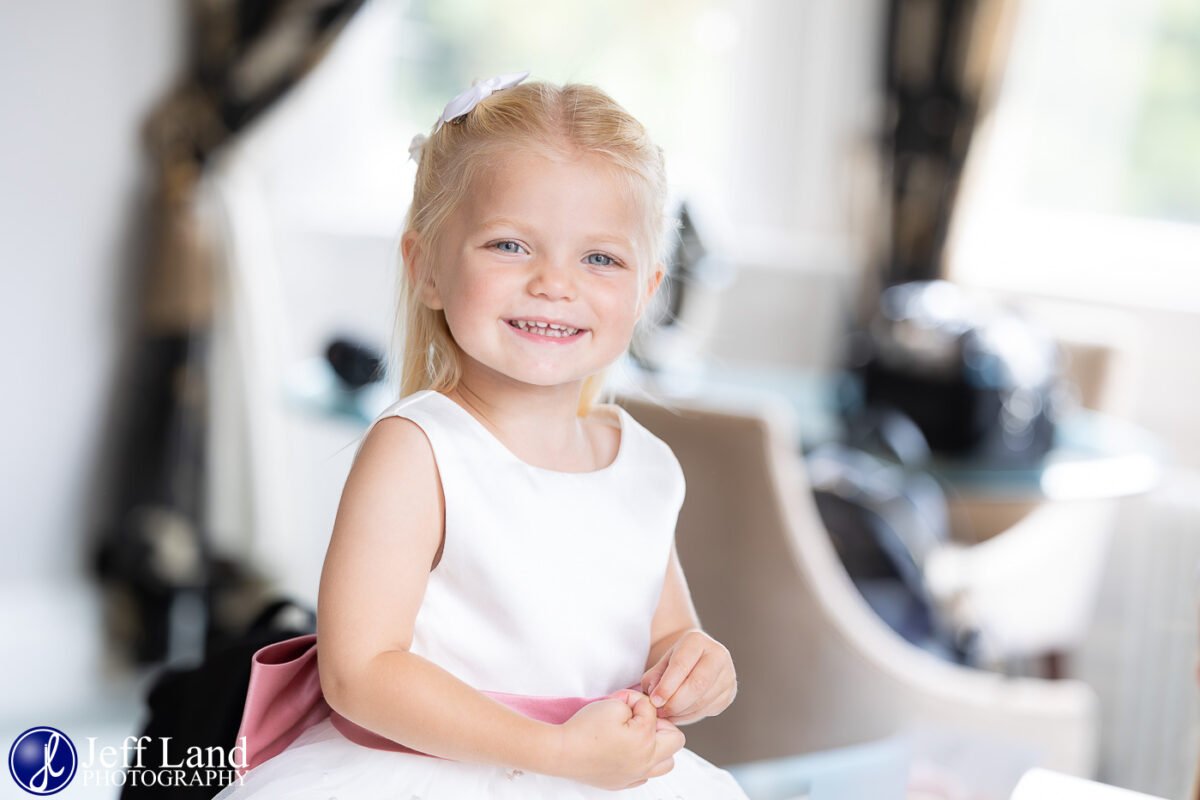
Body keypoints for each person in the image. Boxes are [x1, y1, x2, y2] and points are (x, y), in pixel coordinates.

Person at [213, 72, 749, 798]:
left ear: (647, 291)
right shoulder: (418, 451)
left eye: (600, 258)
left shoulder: (647, 467)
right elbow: (359, 671)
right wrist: (553, 751)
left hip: (598, 774)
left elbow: (663, 633)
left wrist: (695, 663)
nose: (555, 283)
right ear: (427, 267)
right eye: (508, 245)